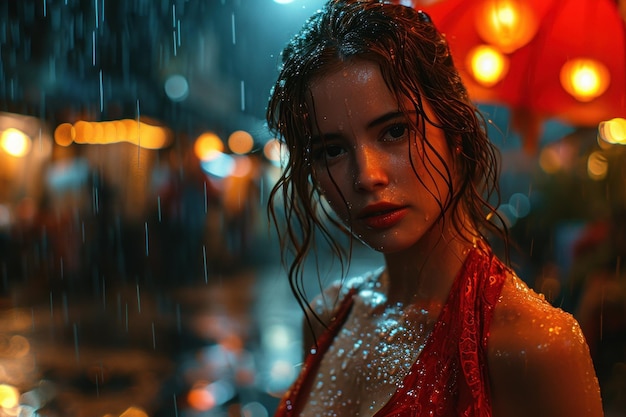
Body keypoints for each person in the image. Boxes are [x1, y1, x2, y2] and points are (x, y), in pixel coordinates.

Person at [265, 1, 604, 416]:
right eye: (331, 150)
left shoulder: (533, 345)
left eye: (394, 131)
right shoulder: (326, 317)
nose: (366, 175)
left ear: (455, 129)